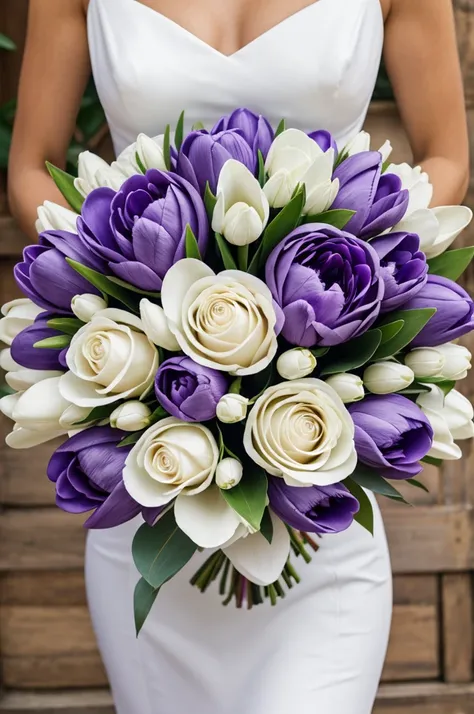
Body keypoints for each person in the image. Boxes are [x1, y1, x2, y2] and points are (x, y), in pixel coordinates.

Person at [7, 1, 469, 713]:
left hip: (320, 465)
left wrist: (352, 284)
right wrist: (129, 304)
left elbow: (447, 153)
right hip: (151, 470)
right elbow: (32, 170)